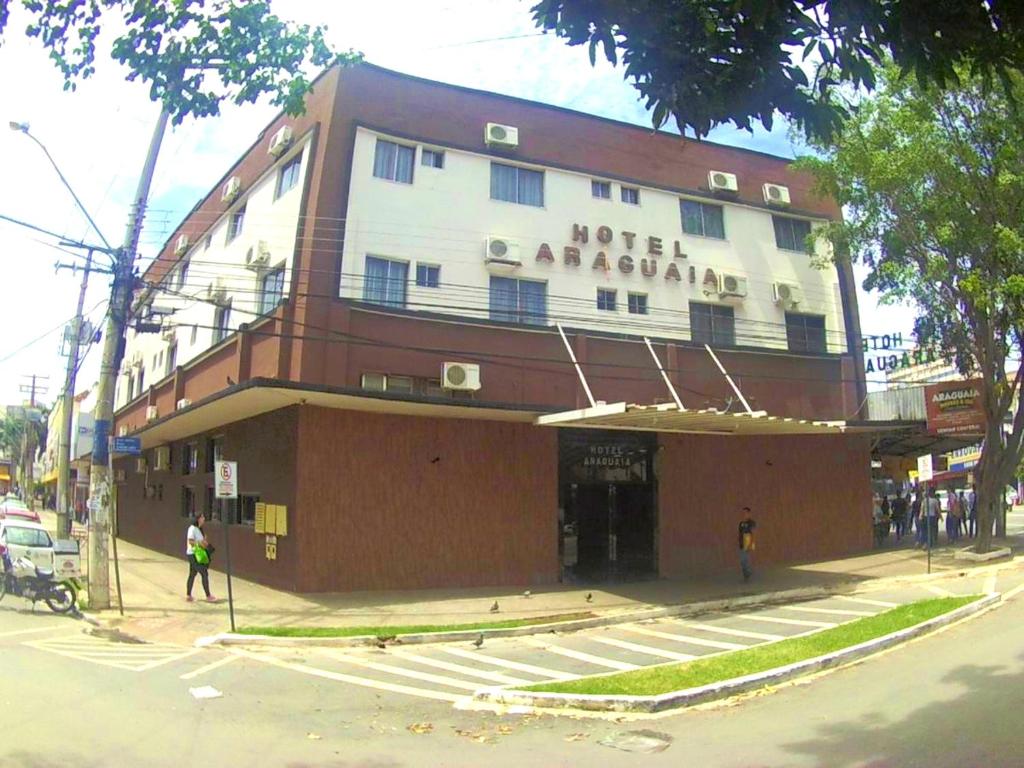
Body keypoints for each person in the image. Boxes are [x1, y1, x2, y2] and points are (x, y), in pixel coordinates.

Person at [186, 513, 216, 602]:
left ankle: (188, 595)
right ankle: (208, 595)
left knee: (192, 574)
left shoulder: (199, 530)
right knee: (204, 573)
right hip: (193, 554)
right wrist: (200, 543)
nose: (204, 519)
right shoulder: (192, 529)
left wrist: (207, 545)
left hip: (198, 554)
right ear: (198, 519)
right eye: (202, 517)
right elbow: (191, 541)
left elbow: (203, 542)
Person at [738, 509, 756, 582]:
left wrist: (751, 544)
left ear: (749, 514)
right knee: (742, 561)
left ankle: (747, 575)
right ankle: (746, 574)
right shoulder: (741, 523)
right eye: (743, 513)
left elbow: (753, 533)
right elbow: (739, 533)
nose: (744, 514)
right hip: (742, 543)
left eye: (745, 513)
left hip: (748, 542)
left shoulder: (751, 523)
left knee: (746, 560)